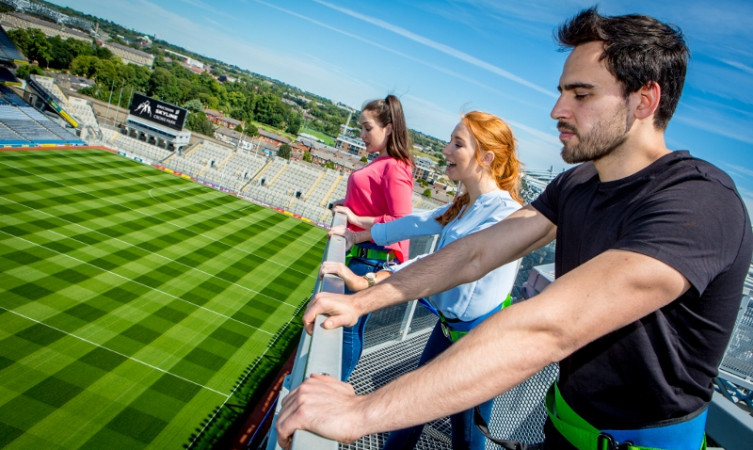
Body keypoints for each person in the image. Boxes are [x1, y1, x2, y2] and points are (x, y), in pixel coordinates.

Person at [276, 7, 753, 450]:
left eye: (581, 94)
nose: (557, 110)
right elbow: (475, 254)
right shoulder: (579, 183)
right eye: (562, 91)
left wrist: (359, 412)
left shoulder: (701, 201)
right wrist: (362, 301)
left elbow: (549, 328)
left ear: (644, 100)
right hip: (564, 424)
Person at [321, 111, 523, 450]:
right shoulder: (469, 204)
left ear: (486, 158)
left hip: (480, 345)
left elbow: (439, 264)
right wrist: (361, 233)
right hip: (450, 331)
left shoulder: (503, 215)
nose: (445, 150)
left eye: (457, 144)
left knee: (467, 439)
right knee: (409, 412)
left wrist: (370, 282)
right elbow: (417, 223)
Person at [334, 94, 414, 381]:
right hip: (362, 255)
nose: (362, 135)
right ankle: (334, 385)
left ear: (389, 128)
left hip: (370, 259)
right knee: (348, 328)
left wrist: (356, 221)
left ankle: (336, 386)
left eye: (368, 128)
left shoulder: (395, 166)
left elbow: (401, 221)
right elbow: (372, 203)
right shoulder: (382, 162)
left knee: (347, 329)